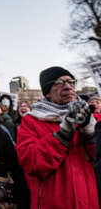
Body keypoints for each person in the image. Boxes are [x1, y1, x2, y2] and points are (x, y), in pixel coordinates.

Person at [16, 66, 98, 209]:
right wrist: (62, 135)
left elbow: (96, 159)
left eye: (71, 82)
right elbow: (31, 162)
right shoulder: (31, 121)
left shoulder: (91, 117)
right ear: (47, 93)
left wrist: (91, 134)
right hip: (52, 203)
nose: (68, 87)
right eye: (59, 83)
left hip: (88, 202)